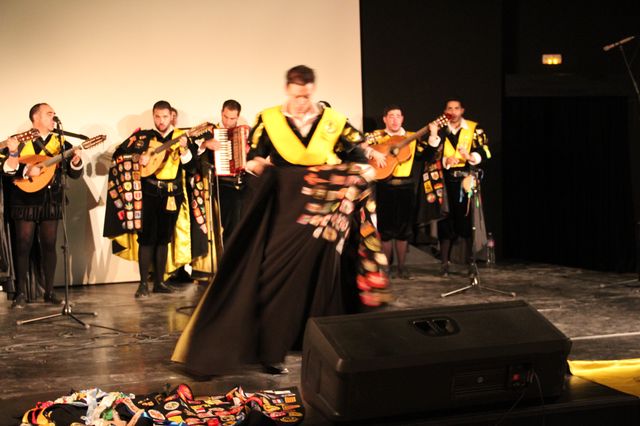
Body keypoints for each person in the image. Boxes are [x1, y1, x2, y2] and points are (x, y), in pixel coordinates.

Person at [172, 65, 390, 376]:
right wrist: (257, 164)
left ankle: (320, 345)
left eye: (307, 96)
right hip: (285, 208)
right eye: (297, 95)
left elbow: (355, 154)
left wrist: (360, 170)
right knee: (273, 277)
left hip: (320, 211)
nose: (302, 102)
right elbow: (256, 155)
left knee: (317, 277)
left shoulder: (333, 120)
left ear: (313, 91)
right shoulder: (270, 119)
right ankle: (269, 351)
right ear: (288, 90)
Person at [103, 100, 198, 298]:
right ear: (153, 116)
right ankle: (143, 284)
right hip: (148, 193)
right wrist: (138, 158)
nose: (161, 121)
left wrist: (185, 150)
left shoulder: (181, 137)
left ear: (171, 116)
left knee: (164, 238)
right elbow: (120, 154)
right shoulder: (144, 137)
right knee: (146, 239)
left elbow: (191, 167)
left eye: (165, 117)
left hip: (172, 194)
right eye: (157, 116)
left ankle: (160, 282)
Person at [0, 103, 84, 308]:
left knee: (49, 244)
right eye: (49, 113)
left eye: (54, 114)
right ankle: (20, 292)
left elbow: (73, 174)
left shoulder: (61, 142)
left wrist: (76, 162)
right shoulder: (19, 140)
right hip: (24, 199)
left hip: (50, 198)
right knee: (23, 244)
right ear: (35, 117)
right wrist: (24, 168)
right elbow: (7, 170)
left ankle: (49, 291)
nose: (53, 117)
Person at [425, 98, 491, 277]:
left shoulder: (474, 128)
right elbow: (428, 154)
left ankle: (471, 262)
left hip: (465, 181)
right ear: (445, 111)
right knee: (445, 221)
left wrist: (470, 156)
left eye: (456, 108)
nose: (453, 112)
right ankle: (444, 263)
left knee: (468, 222)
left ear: (462, 110)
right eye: (449, 108)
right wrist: (445, 160)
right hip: (445, 181)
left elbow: (485, 151)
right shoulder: (439, 130)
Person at [365, 105, 431, 279]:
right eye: (391, 116)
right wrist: (373, 153)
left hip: (406, 187)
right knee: (385, 230)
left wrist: (433, 136)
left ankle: (402, 267)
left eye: (398, 116)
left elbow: (426, 155)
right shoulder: (377, 135)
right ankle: (386, 268)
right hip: (384, 186)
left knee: (404, 230)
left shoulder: (412, 137)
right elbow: (359, 147)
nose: (395, 119)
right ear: (385, 119)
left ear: (402, 118)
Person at [200, 99, 248, 243]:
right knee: (230, 226)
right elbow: (196, 154)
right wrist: (205, 144)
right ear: (221, 113)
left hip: (243, 184)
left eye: (232, 118)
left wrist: (248, 151)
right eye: (225, 117)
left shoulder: (244, 133)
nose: (227, 122)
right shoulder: (209, 132)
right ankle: (230, 255)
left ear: (238, 117)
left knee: (245, 225)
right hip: (222, 184)